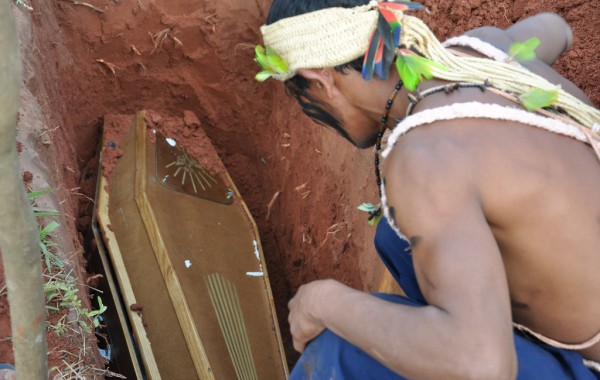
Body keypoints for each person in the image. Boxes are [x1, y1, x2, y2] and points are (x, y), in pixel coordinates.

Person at [255, 1, 600, 379]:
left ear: (320, 81)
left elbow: (483, 366)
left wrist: (325, 303)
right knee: (395, 237)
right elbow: (556, 27)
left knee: (339, 351)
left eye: (303, 98)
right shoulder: (481, 50)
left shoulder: (423, 160)